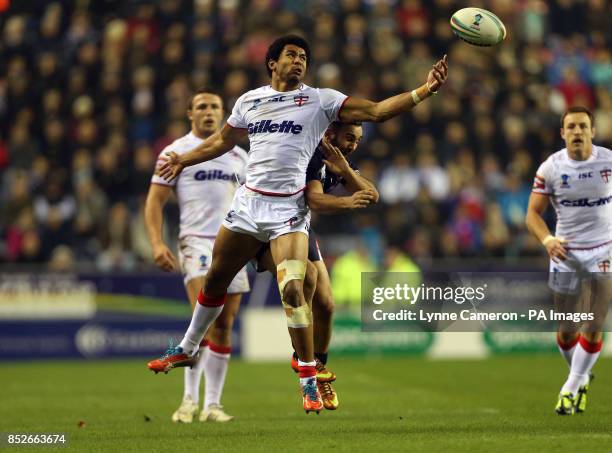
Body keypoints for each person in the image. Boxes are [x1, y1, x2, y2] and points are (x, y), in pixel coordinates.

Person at [148, 34, 448, 413]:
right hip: (247, 206)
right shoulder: (249, 101)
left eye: (304, 56)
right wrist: (184, 160)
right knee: (215, 282)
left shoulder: (321, 100)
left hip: (288, 212)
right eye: (291, 55)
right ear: (272, 62)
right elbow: (222, 143)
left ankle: (308, 378)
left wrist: (425, 90)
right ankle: (187, 349)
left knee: (293, 288)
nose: (299, 61)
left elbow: (375, 111)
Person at [144, 88, 249, 423]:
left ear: (223, 113)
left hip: (234, 243)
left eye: (214, 107)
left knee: (225, 327)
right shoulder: (175, 152)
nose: (208, 111)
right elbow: (155, 201)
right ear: (190, 114)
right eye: (201, 107)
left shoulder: (238, 155)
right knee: (203, 320)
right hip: (196, 242)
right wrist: (157, 243)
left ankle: (212, 405)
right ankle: (188, 400)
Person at [526, 106, 612, 415]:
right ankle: (581, 374)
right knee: (566, 330)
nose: (577, 131)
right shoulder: (550, 168)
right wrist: (547, 240)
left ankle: (571, 386)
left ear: (593, 130)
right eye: (571, 127)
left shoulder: (609, 162)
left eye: (582, 126)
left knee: (594, 322)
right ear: (563, 133)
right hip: (565, 253)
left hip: (604, 251)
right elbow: (532, 214)